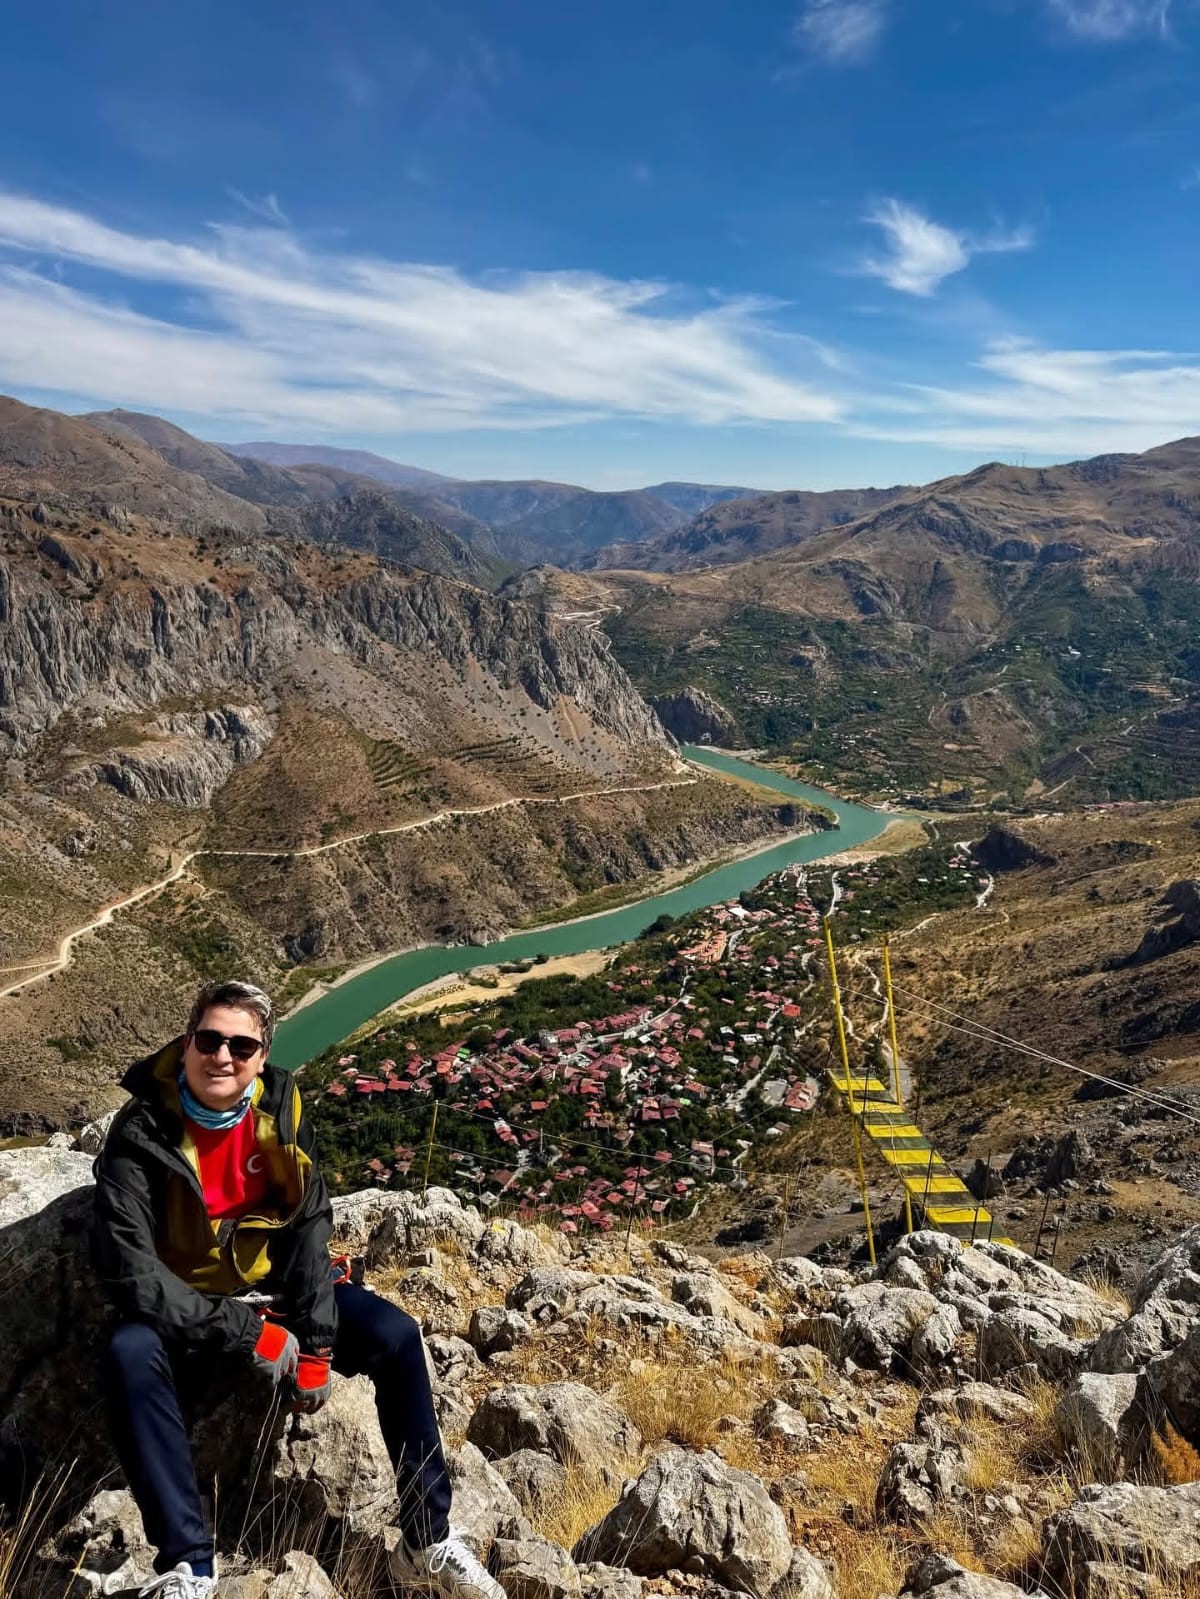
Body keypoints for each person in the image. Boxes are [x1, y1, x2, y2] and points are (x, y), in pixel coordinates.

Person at [93, 978, 506, 1599]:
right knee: (128, 1352)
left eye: (241, 1045)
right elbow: (130, 1273)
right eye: (209, 1040)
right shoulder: (141, 1133)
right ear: (185, 1046)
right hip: (189, 1304)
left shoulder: (281, 1107)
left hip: (277, 1289)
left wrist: (314, 1343)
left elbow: (310, 1224)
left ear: (262, 1056)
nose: (222, 1057)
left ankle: (426, 1540)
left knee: (395, 1335)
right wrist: (249, 1332)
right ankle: (187, 1567)